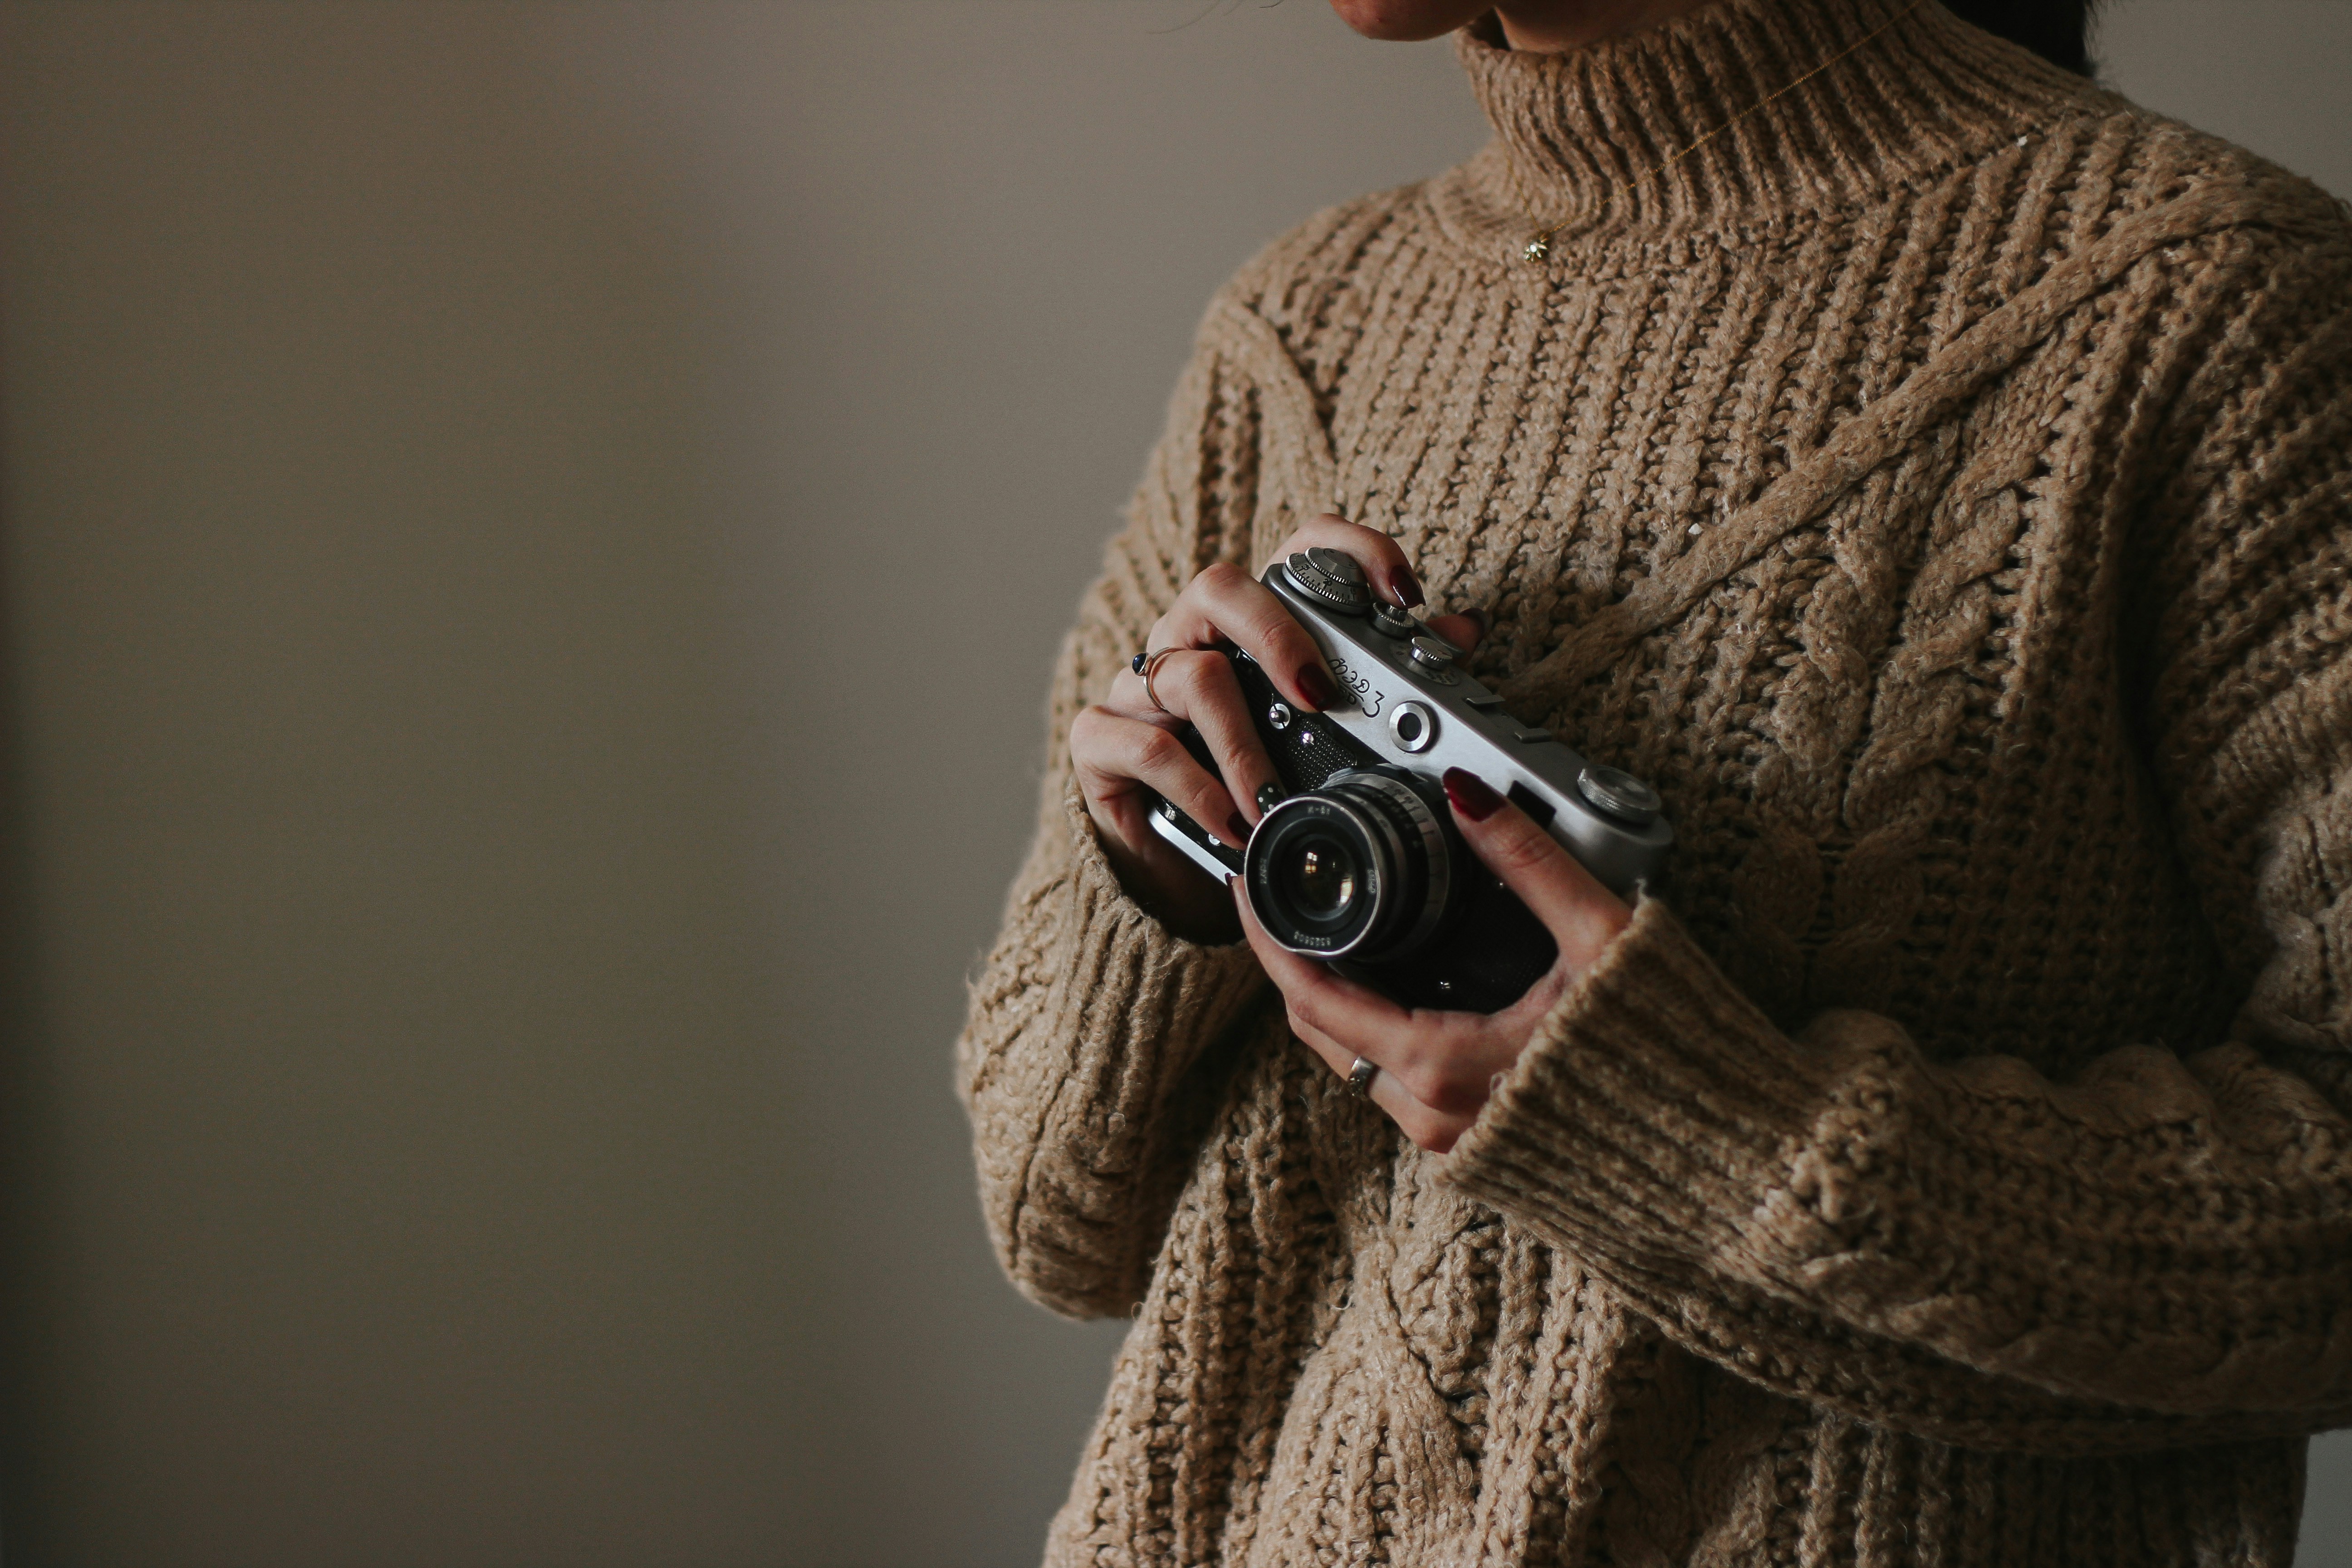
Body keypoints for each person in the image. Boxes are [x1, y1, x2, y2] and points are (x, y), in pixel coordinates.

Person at [956, 0, 2352, 1561]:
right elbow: (1053, 1216)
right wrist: (1160, 868)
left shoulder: (2209, 302)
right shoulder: (1304, 325)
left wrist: (1683, 1126)